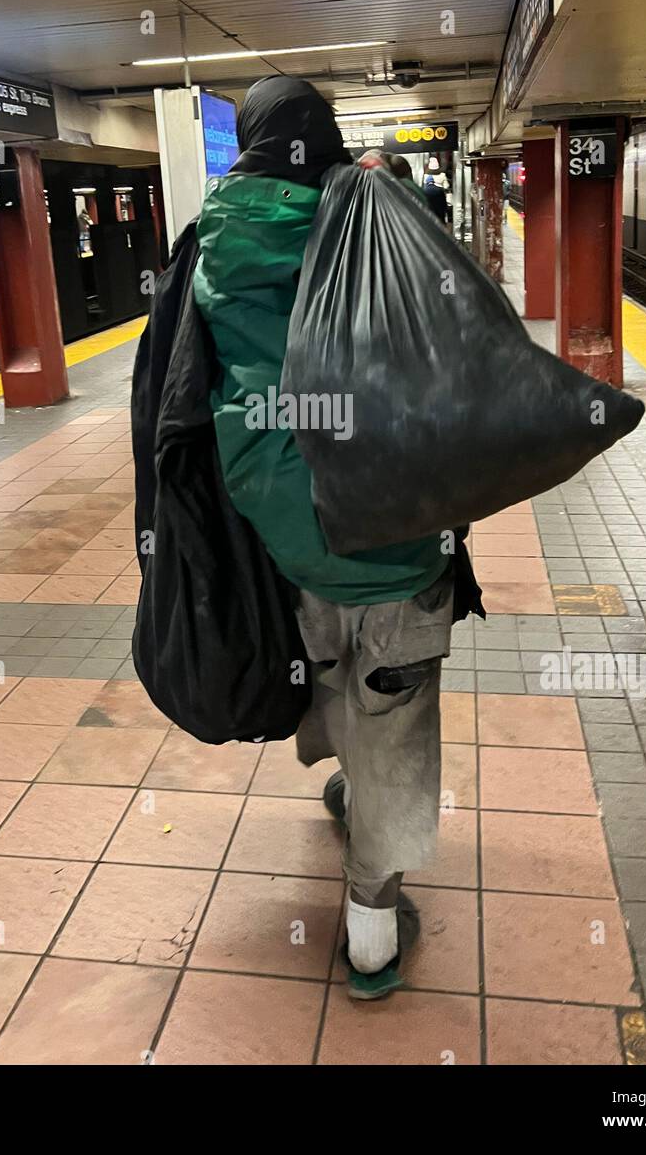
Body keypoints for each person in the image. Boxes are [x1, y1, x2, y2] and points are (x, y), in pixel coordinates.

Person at [193, 76, 481, 999]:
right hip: (396, 542)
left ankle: (348, 791)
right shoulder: (366, 226)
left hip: (287, 536)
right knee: (392, 718)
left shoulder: (212, 242)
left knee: (331, 673)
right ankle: (369, 934)